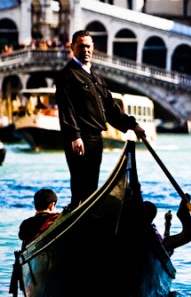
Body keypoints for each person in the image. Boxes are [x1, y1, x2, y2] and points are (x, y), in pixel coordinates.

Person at [56, 30, 146, 208]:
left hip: (96, 138)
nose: (85, 50)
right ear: (72, 47)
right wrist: (75, 136)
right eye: (81, 46)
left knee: (91, 186)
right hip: (80, 139)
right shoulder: (67, 75)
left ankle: (86, 216)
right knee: (80, 185)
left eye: (88, 46)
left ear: (93, 48)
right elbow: (67, 108)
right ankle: (77, 213)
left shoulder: (96, 78)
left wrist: (133, 126)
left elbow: (112, 109)